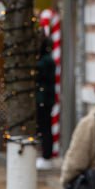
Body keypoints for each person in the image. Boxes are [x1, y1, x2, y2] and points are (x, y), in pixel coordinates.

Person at [35, 33, 57, 170]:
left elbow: (38, 72)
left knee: (45, 127)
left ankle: (46, 155)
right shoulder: (46, 60)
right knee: (43, 127)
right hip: (44, 98)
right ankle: (45, 154)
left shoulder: (46, 61)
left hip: (44, 100)